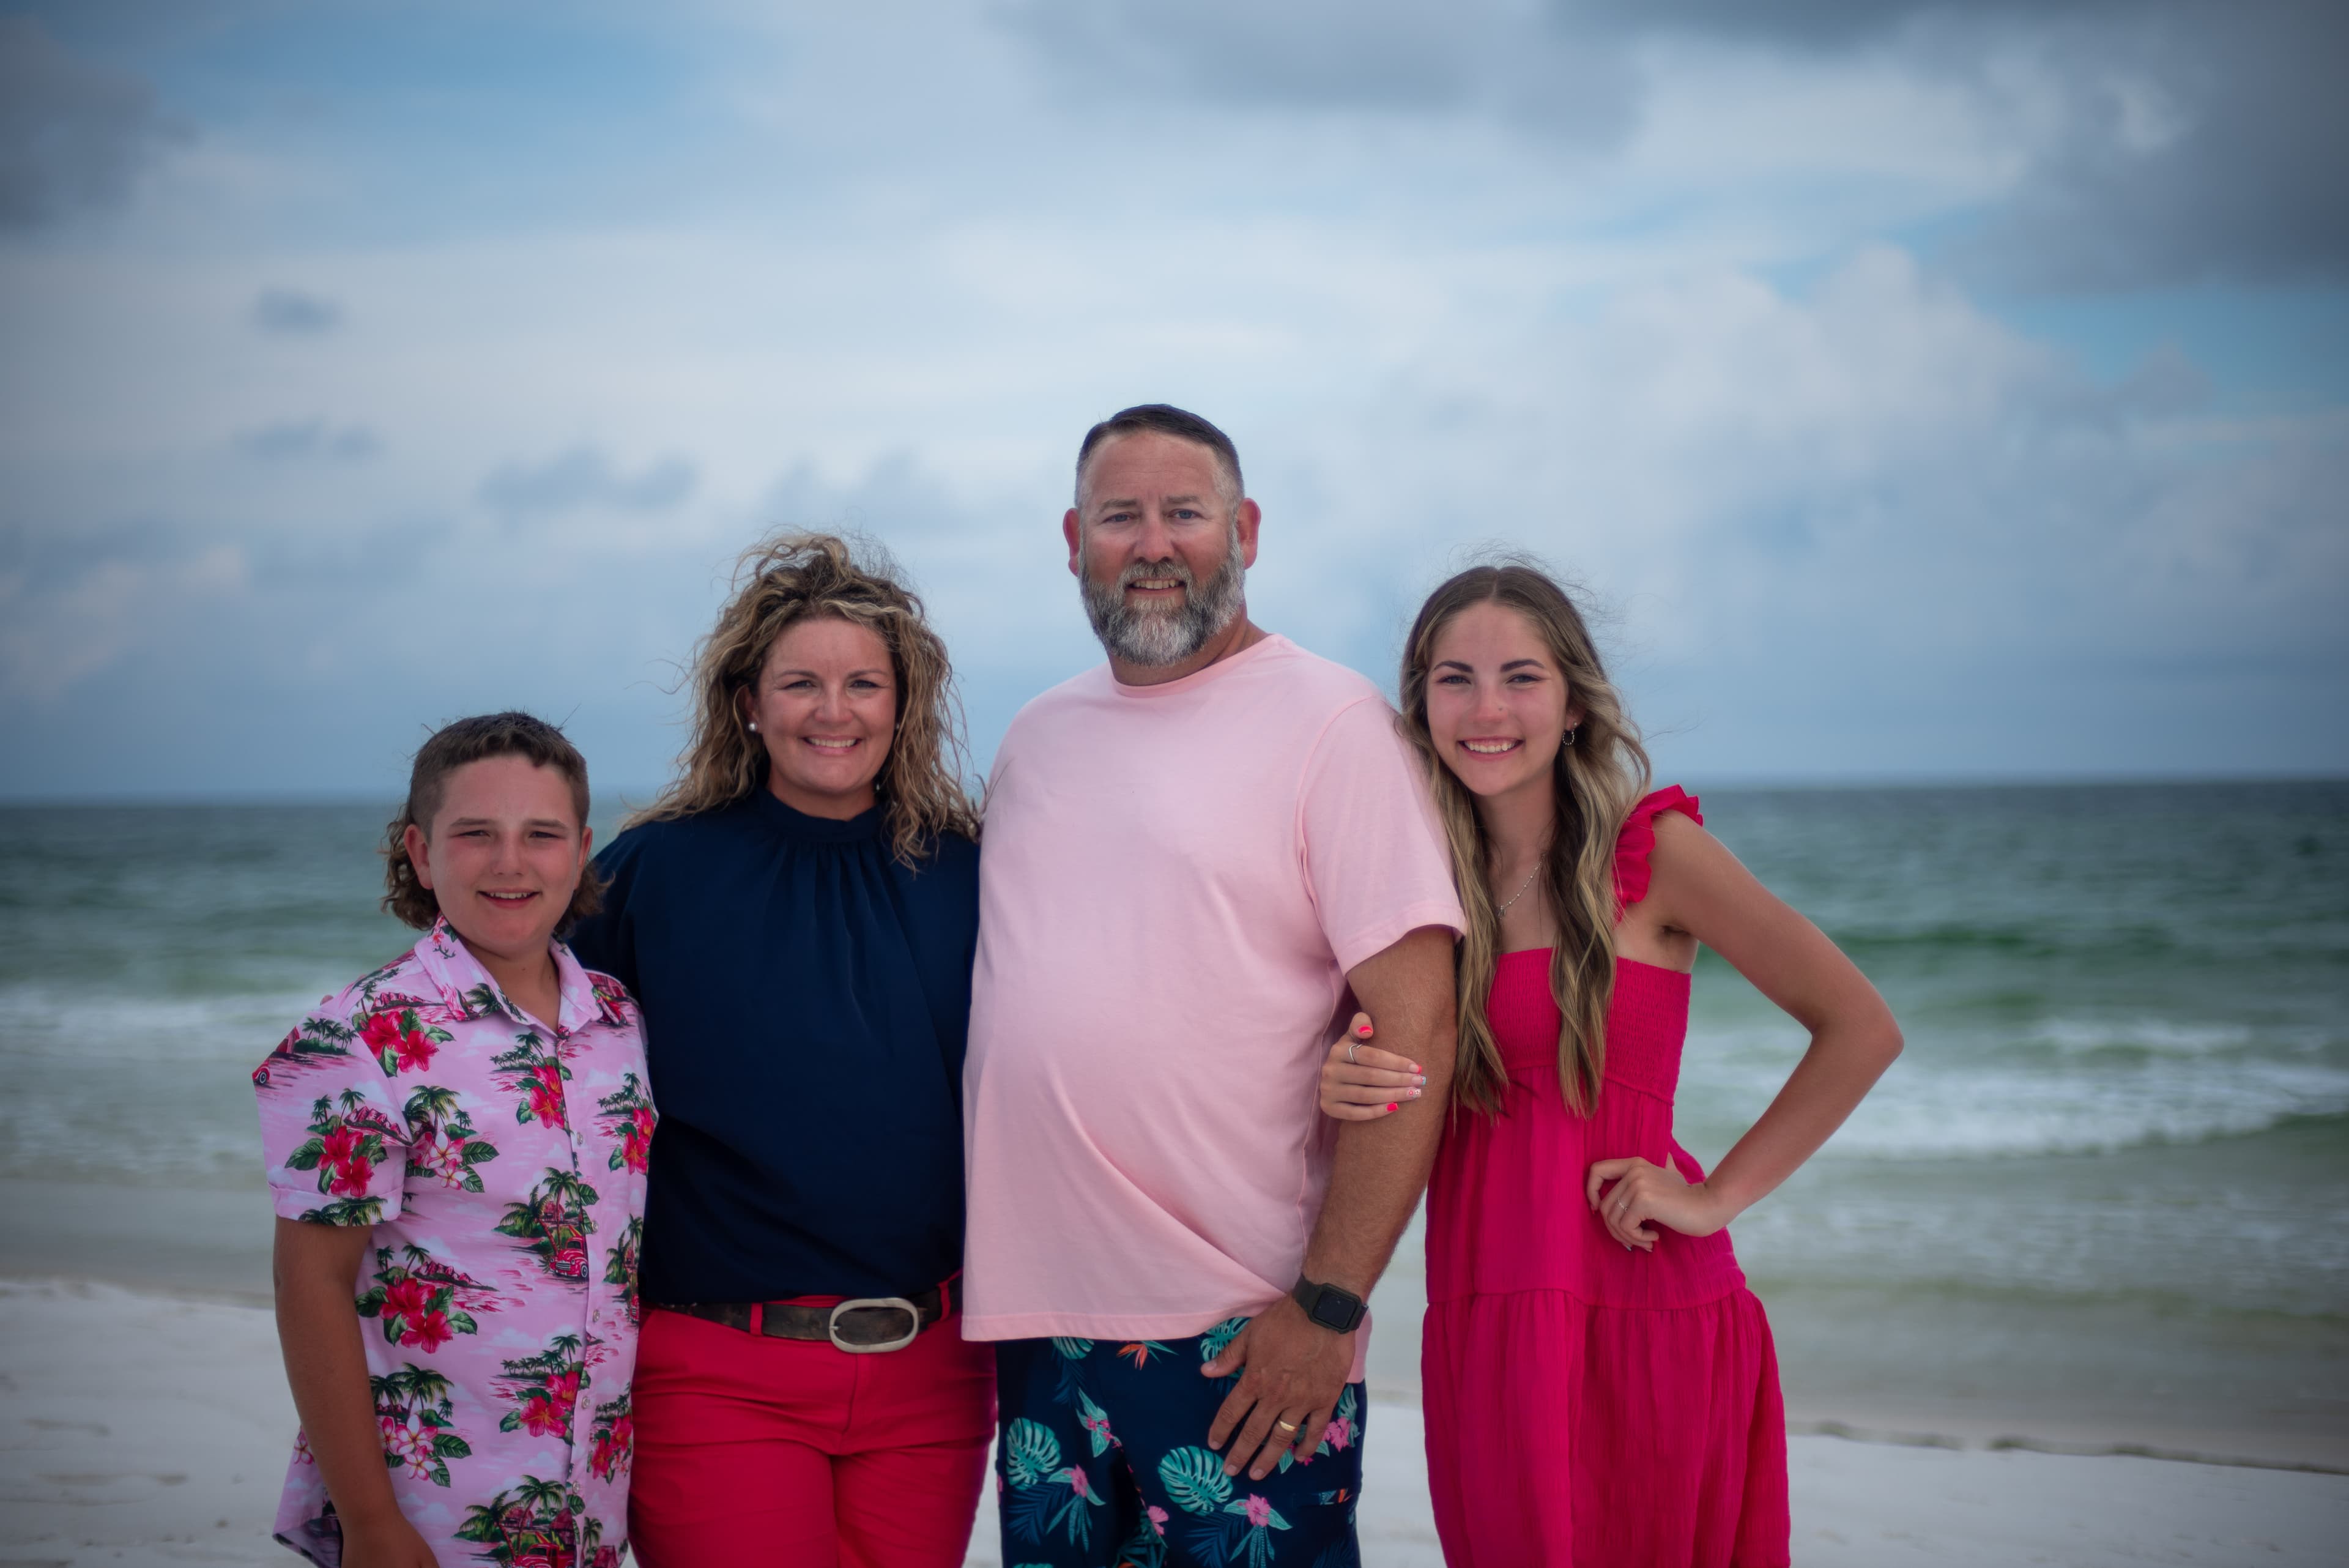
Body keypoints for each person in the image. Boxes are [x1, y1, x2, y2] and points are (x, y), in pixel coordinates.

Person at [961, 404, 1467, 1567]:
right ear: (1072, 539)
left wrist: (1330, 1306)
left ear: (1242, 529)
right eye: (1118, 516)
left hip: (1244, 1333)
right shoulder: (1036, 737)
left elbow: (1418, 1023)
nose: (1152, 544)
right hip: (1039, 1332)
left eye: (1183, 513)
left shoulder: (1332, 722)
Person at [1319, 563, 1904, 1567]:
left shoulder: (1653, 852)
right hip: (1485, 1324)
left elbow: (1859, 1027)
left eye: (1521, 677)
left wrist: (1713, 1198)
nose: (1487, 708)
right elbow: (1380, 1072)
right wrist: (1343, 1076)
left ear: (1576, 703)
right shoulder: (1416, 888)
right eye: (1454, 679)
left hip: (1644, 1310)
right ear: (1420, 704)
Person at [565, 533, 993, 1568]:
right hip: (718, 1367)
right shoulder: (655, 874)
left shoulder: (976, 872)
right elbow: (523, 1044)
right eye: (801, 682)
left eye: (863, 683)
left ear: (904, 702)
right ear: (748, 702)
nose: (833, 711)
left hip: (936, 1374)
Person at [256, 712, 651, 1568]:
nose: (510, 862)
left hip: (592, 1504)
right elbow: (311, 1284)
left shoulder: (621, 1021)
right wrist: (369, 1521)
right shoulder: (353, 1037)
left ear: (581, 850)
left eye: (540, 834)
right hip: (431, 1508)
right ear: (421, 852)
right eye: (475, 834)